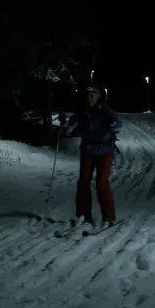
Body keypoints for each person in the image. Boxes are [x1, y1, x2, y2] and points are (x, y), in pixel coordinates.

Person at [60, 84, 122, 227]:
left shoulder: (105, 110)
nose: (90, 99)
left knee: (101, 183)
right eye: (87, 96)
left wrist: (112, 122)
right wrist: (65, 127)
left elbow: (118, 125)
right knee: (83, 182)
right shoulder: (82, 111)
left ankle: (109, 217)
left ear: (98, 97)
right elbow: (70, 126)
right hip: (87, 150)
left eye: (93, 96)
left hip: (105, 150)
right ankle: (83, 215)